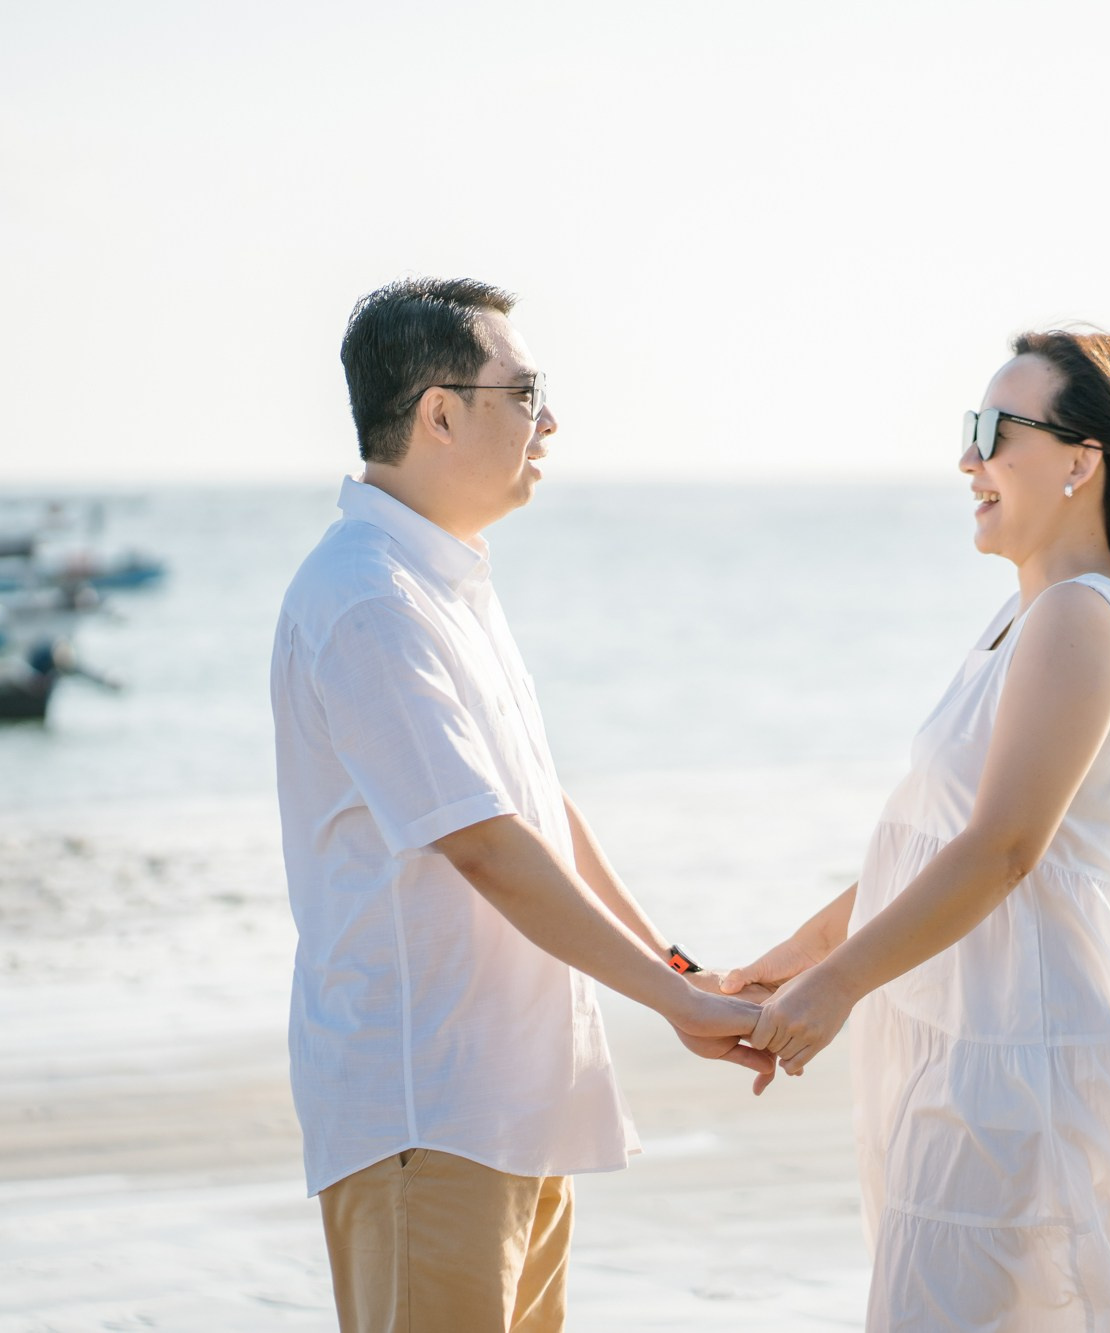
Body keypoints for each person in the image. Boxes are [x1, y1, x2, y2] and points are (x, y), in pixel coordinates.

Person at [270, 277, 770, 1333]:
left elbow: (538, 811)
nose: (551, 422)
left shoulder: (441, 580)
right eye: (527, 391)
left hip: (508, 1102)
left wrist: (676, 971)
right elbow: (487, 848)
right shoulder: (368, 597)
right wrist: (672, 1004)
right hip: (428, 1105)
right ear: (438, 413)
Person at [724, 329, 1110, 1330]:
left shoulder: (1078, 619)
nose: (967, 460)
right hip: (968, 1048)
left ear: (1081, 459)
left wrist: (835, 986)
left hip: (1021, 1057)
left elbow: (1001, 850)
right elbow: (927, 840)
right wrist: (792, 957)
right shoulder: (1022, 621)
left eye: (993, 430)